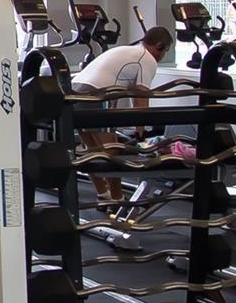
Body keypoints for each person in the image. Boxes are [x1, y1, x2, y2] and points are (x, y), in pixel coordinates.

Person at [70, 27, 175, 204]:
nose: (163, 56)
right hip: (96, 95)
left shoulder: (127, 50)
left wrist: (137, 126)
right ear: (159, 46)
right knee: (111, 152)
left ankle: (104, 195)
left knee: (92, 151)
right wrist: (142, 132)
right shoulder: (147, 58)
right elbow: (141, 97)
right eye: (165, 51)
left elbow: (130, 92)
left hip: (74, 92)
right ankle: (117, 199)